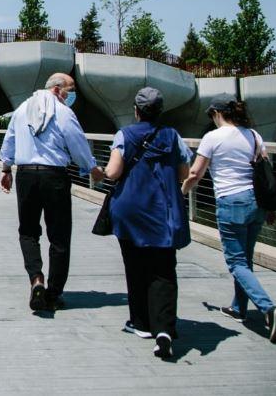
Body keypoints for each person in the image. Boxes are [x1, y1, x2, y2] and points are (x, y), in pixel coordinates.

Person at [181, 94, 276, 343]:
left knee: (236, 262)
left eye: (211, 115)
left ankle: (268, 308)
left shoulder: (212, 137)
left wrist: (180, 193)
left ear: (217, 113)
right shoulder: (254, 135)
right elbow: (266, 173)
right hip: (256, 202)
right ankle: (239, 308)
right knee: (245, 260)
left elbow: (195, 173)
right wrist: (271, 208)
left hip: (231, 202)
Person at [0, 73, 105, 313]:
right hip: (54, 176)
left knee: (28, 232)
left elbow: (10, 140)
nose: (73, 94)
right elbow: (77, 143)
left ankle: (36, 279)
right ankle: (54, 294)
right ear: (57, 89)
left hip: (26, 175)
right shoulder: (64, 112)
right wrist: (92, 168)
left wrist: (6, 169)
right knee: (59, 236)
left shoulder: (22, 109)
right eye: (71, 89)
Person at [101, 87, 192, 360]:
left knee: (135, 266)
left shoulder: (125, 134)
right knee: (164, 269)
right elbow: (184, 173)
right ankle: (164, 329)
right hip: (163, 210)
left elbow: (113, 172)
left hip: (130, 209)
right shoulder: (172, 136)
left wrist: (101, 170)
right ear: (160, 110)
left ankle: (140, 323)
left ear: (136, 110)